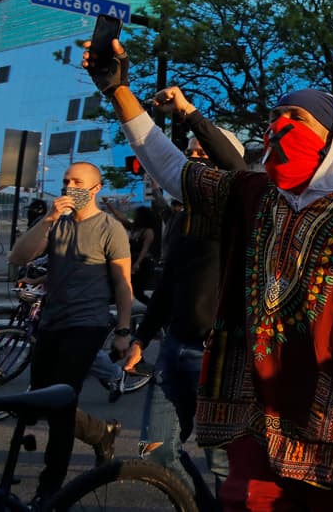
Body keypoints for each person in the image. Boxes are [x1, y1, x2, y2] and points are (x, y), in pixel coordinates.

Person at [86, 41, 333, 511]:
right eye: (275, 118)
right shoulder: (254, 194)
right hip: (258, 422)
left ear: (329, 138)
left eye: (295, 119)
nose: (278, 127)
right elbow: (174, 169)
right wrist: (120, 92)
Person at [122, 88, 247, 505]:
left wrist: (189, 114)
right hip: (173, 350)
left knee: (225, 468)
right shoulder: (181, 220)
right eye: (187, 155)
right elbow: (170, 281)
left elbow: (236, 168)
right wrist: (142, 336)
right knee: (154, 454)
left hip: (218, 357)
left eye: (199, 154)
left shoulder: (240, 211)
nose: (190, 162)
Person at [7, 161, 130, 504]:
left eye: (77, 182)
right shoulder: (56, 223)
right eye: (65, 181)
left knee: (60, 404)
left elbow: (122, 283)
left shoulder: (109, 228)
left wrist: (123, 330)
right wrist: (47, 219)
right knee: (41, 401)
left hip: (87, 325)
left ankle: (51, 489)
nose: (69, 187)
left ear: (95, 188)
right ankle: (100, 432)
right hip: (51, 323)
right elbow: (18, 256)